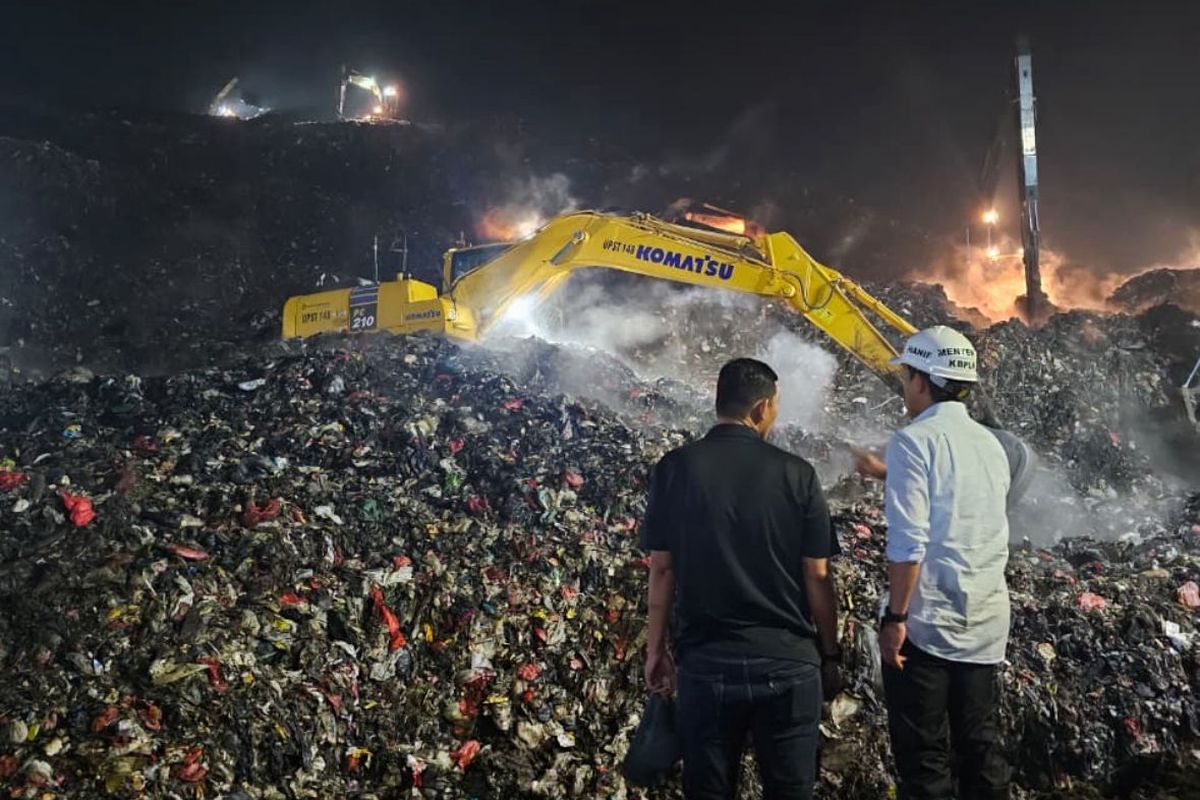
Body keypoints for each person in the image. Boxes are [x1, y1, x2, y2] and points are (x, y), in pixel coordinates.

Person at [642, 357, 841, 800]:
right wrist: (830, 654)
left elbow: (662, 568)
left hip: (707, 666)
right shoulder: (798, 475)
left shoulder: (676, 468)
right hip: (789, 666)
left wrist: (656, 651)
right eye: (774, 408)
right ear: (760, 409)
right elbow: (817, 576)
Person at [860, 326, 1012, 800]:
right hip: (986, 623)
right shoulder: (992, 445)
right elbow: (958, 495)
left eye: (906, 377)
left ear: (923, 380)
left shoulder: (912, 441)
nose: (904, 388)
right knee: (980, 749)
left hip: (929, 626)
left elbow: (909, 543)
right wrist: (887, 474)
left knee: (925, 759)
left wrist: (896, 619)